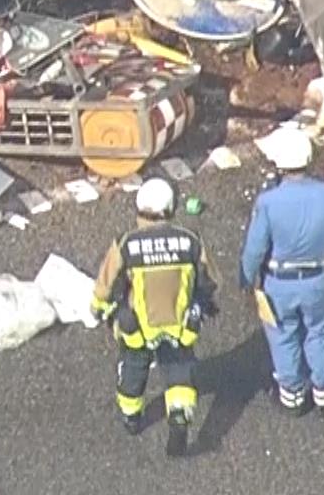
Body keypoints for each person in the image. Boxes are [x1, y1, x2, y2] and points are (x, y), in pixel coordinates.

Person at [91, 177, 219, 456]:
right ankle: (180, 413)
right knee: (179, 370)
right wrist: (204, 304)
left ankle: (132, 417)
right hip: (180, 326)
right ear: (171, 207)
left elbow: (107, 284)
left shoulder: (126, 244)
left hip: (138, 328)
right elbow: (208, 281)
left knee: (134, 369)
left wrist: (98, 308)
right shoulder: (190, 241)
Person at [239, 120, 324, 415]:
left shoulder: (268, 202)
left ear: (280, 164)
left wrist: (245, 277)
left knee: (283, 334)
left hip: (278, 282)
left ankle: (292, 393)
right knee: (319, 332)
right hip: (317, 279)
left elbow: (255, 247)